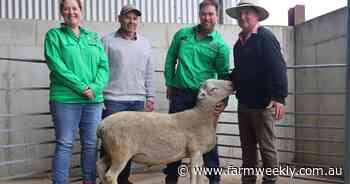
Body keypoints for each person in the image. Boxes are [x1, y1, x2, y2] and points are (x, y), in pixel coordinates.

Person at [163, 0, 230, 184]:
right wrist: (169, 82)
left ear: (217, 16)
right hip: (180, 94)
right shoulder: (182, 35)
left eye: (211, 14)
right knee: (174, 138)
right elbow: (171, 59)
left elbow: (224, 78)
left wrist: (222, 103)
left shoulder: (220, 46)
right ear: (199, 15)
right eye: (204, 14)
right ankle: (171, 177)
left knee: (207, 140)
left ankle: (214, 179)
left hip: (205, 101)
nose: (207, 17)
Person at [44, 0, 109, 183]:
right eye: (66, 8)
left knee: (90, 145)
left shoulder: (93, 37)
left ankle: (89, 181)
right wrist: (82, 88)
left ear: (81, 11)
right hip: (65, 99)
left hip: (93, 101)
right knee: (65, 144)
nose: (71, 12)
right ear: (61, 12)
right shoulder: (54, 36)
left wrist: (94, 88)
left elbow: (104, 66)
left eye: (74, 8)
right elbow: (56, 65)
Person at [225, 0, 288, 183]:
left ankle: (269, 181)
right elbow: (239, 72)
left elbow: (278, 67)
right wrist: (224, 84)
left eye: (247, 13)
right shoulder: (238, 45)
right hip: (244, 105)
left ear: (256, 15)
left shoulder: (265, 37)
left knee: (267, 148)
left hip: (263, 105)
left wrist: (279, 98)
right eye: (240, 13)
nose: (243, 17)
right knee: (248, 149)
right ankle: (248, 181)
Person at [101, 4, 155, 184]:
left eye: (135, 18)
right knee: (110, 143)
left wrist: (151, 96)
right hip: (113, 99)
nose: (131, 21)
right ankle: (105, 178)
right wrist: (99, 97)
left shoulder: (145, 43)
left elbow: (149, 71)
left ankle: (122, 179)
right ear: (119, 18)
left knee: (131, 144)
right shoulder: (107, 41)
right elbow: (100, 70)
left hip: (137, 100)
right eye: (127, 17)